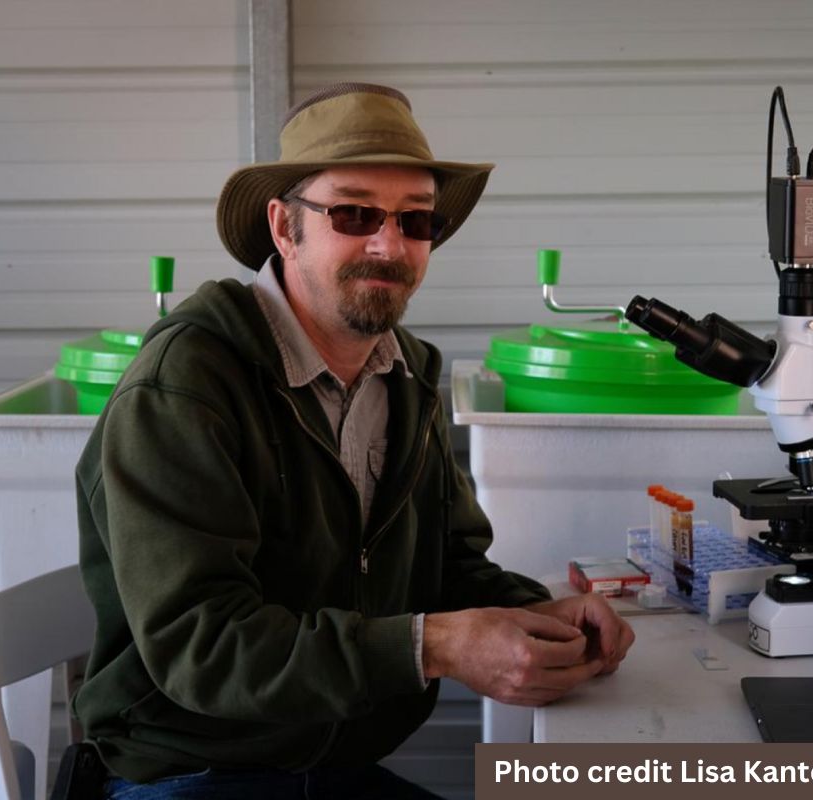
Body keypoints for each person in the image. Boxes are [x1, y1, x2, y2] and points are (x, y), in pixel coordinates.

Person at [73, 82, 634, 798]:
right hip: (193, 770)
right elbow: (202, 647)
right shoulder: (187, 385)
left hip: (331, 767)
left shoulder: (407, 374)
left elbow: (449, 567)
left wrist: (538, 614)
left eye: (416, 221)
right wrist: (437, 645)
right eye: (354, 212)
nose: (389, 244)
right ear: (284, 228)